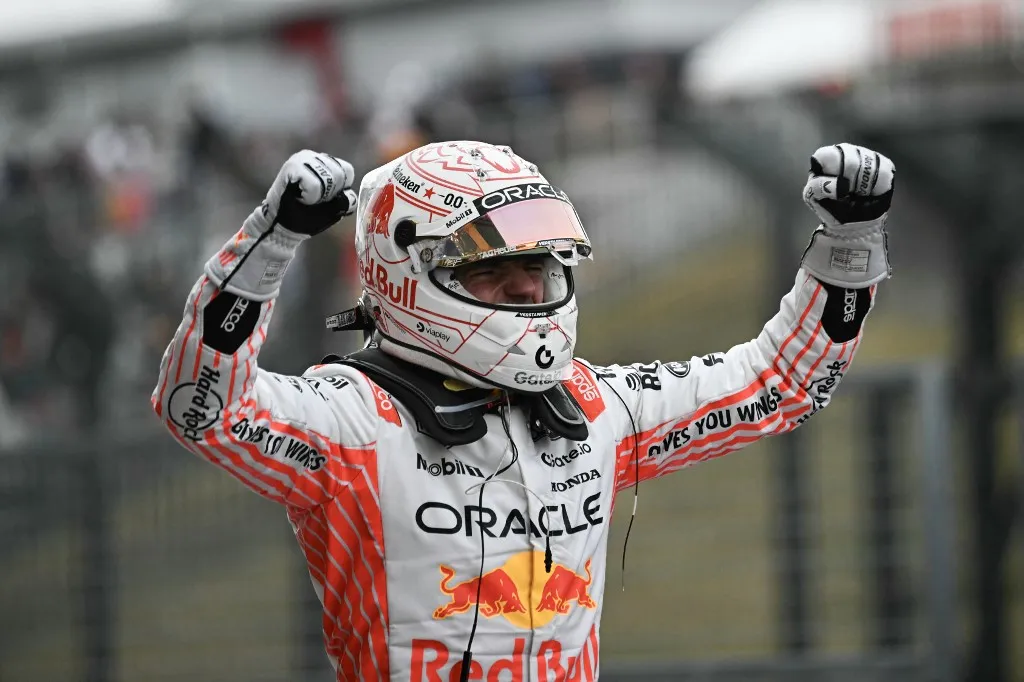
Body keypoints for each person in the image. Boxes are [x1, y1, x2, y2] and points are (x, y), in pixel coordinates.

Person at [152, 141, 894, 681]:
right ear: (409, 278)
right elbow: (199, 408)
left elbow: (783, 382)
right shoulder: (353, 421)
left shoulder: (598, 409)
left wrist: (851, 240)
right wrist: (273, 240)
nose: (526, 293)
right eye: (492, 273)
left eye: (538, 270)